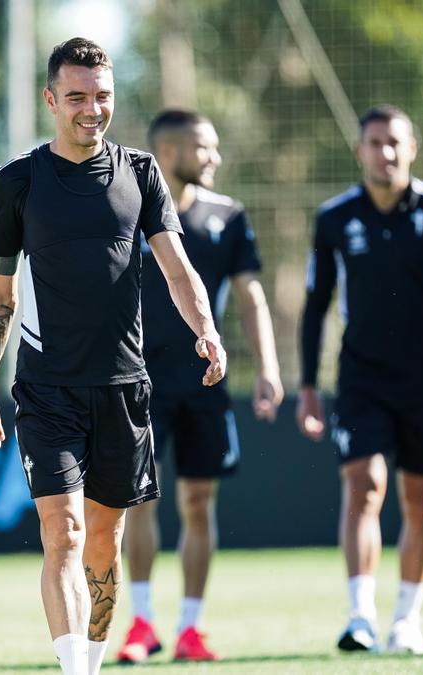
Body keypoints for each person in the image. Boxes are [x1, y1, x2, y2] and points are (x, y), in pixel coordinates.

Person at [0, 38, 226, 675]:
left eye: (103, 97)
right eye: (78, 97)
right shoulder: (18, 181)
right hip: (46, 388)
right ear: (51, 100)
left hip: (124, 387)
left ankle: (92, 657)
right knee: (65, 531)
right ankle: (74, 670)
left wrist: (207, 329)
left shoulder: (140, 173)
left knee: (104, 544)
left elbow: (175, 265)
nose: (92, 109)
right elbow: (0, 295)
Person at [297, 105, 423, 654]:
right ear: (361, 151)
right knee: (364, 485)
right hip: (361, 381)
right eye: (375, 143)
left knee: (421, 500)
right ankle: (361, 616)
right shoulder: (335, 218)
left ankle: (408, 620)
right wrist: (306, 385)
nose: (385, 152)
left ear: (412, 148)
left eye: (395, 142)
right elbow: (315, 304)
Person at [117, 109, 282, 663]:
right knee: (138, 500)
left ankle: (191, 628)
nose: (214, 158)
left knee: (197, 500)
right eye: (203, 148)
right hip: (136, 382)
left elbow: (250, 295)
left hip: (204, 382)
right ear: (168, 152)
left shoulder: (227, 216)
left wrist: (267, 368)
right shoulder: (127, 211)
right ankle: (141, 624)